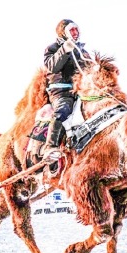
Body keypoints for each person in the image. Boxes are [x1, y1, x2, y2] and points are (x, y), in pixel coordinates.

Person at [42, 19, 90, 160]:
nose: (75, 33)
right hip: (62, 92)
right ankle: (50, 147)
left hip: (81, 91)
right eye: (72, 30)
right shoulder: (53, 49)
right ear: (64, 33)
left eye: (77, 29)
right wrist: (64, 50)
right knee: (63, 110)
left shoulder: (82, 51)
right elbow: (52, 66)